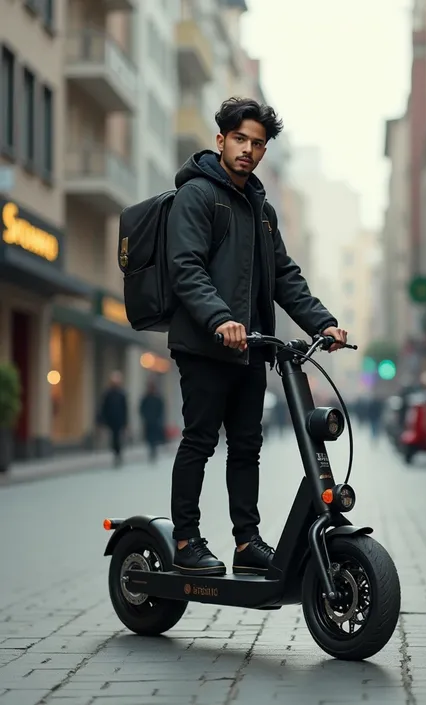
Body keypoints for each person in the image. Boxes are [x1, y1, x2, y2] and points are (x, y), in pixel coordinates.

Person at [166, 97, 348, 577]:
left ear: (264, 151)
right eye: (240, 139)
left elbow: (284, 274)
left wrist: (322, 323)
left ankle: (247, 543)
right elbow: (185, 267)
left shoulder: (260, 209)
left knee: (247, 445)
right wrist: (220, 319)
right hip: (205, 345)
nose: (248, 150)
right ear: (221, 140)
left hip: (250, 349)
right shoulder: (197, 195)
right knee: (200, 441)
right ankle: (186, 539)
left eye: (257, 144)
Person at [99, 371, 128, 467]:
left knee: (118, 438)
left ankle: (118, 454)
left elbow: (125, 409)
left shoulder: (121, 394)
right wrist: (102, 420)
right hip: (111, 420)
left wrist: (125, 422)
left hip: (119, 420)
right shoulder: (108, 394)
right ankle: (116, 453)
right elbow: (104, 407)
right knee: (113, 438)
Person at [139, 379, 166, 462]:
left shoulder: (157, 398)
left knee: (154, 437)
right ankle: (151, 450)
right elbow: (142, 409)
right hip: (148, 421)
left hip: (155, 421)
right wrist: (145, 417)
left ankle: (154, 450)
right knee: (149, 438)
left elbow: (161, 410)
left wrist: (159, 419)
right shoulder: (146, 398)